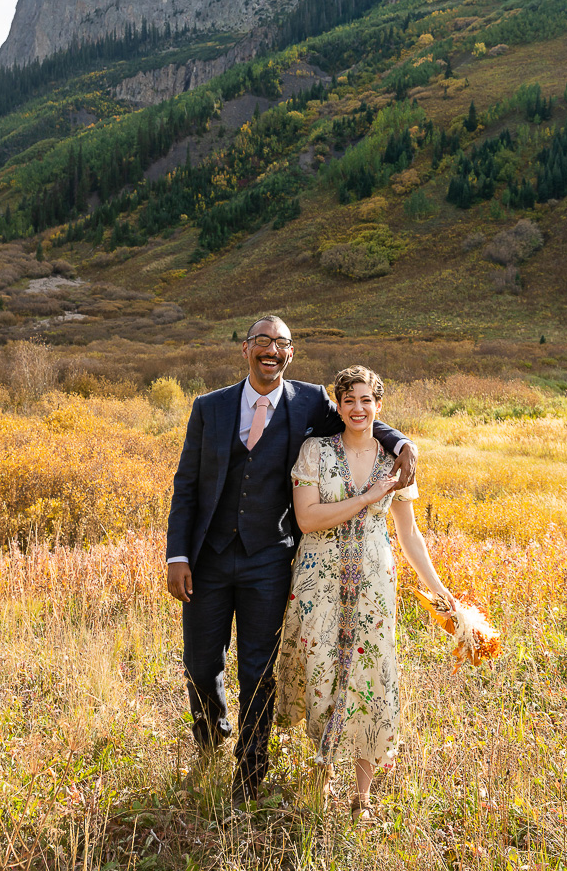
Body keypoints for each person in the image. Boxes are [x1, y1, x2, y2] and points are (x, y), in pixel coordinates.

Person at [165, 316, 416, 803]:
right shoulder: (209, 408)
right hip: (209, 558)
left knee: (259, 669)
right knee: (199, 663)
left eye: (281, 344)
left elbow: (359, 415)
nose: (271, 351)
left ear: (291, 354)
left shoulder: (308, 402)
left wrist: (400, 441)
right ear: (245, 349)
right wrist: (178, 554)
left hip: (271, 559)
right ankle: (212, 736)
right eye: (263, 342)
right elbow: (187, 484)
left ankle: (251, 768)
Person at [275, 364, 455, 822]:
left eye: (366, 400)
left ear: (379, 405)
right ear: (337, 405)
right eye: (348, 400)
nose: (357, 408)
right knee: (323, 670)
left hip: (375, 578)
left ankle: (362, 793)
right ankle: (322, 775)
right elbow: (308, 520)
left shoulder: (398, 460)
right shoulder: (315, 452)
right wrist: (367, 496)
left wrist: (439, 589)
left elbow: (409, 535)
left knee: (371, 675)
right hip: (319, 575)